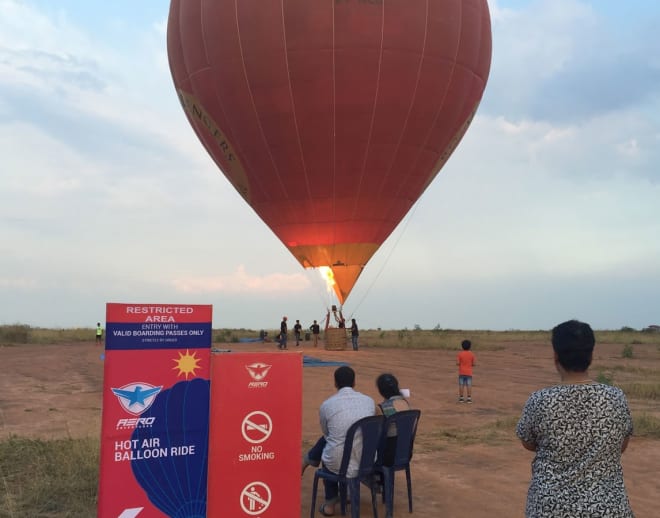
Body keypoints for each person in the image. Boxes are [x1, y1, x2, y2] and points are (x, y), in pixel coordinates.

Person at [516, 320, 634, 517]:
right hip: (608, 509)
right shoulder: (616, 398)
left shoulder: (539, 400)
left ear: (556, 356)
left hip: (551, 509)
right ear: (591, 355)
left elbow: (527, 442)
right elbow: (621, 445)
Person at [302, 366, 375, 516]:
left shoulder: (327, 405)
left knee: (330, 449)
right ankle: (344, 493)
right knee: (338, 445)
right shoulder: (369, 401)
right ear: (354, 382)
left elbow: (327, 433)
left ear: (335, 383)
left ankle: (330, 504)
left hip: (338, 462)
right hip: (365, 461)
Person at [375, 373, 410, 466]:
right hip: (406, 452)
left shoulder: (382, 408)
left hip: (388, 455)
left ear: (380, 390)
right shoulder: (405, 403)